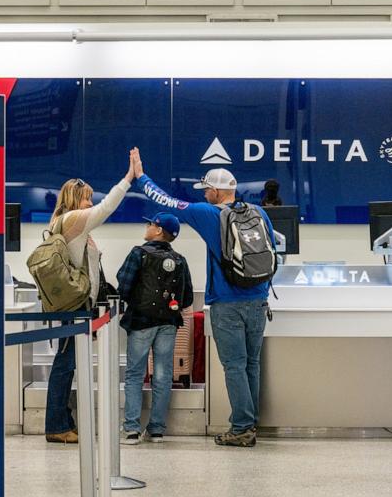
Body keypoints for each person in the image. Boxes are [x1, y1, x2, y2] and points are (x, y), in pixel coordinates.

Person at [130, 148, 274, 447]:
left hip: (227, 303)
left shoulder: (208, 214)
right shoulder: (259, 213)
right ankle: (250, 423)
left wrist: (140, 177)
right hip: (259, 300)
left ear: (217, 191)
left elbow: (165, 201)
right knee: (251, 364)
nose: (204, 194)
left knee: (234, 365)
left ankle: (242, 428)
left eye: (207, 189)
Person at [44, 157, 135, 444]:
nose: (90, 204)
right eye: (87, 198)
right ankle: (56, 425)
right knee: (64, 364)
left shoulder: (67, 224)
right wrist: (129, 178)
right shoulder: (72, 220)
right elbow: (106, 207)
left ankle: (62, 422)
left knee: (67, 363)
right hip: (73, 308)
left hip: (78, 307)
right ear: (76, 199)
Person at [116, 212, 193, 444]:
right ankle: (157, 430)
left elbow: (124, 285)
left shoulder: (138, 253)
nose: (147, 226)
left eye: (150, 223)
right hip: (168, 322)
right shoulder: (180, 260)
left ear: (158, 230)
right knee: (162, 375)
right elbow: (187, 297)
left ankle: (131, 429)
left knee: (134, 374)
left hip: (141, 321)